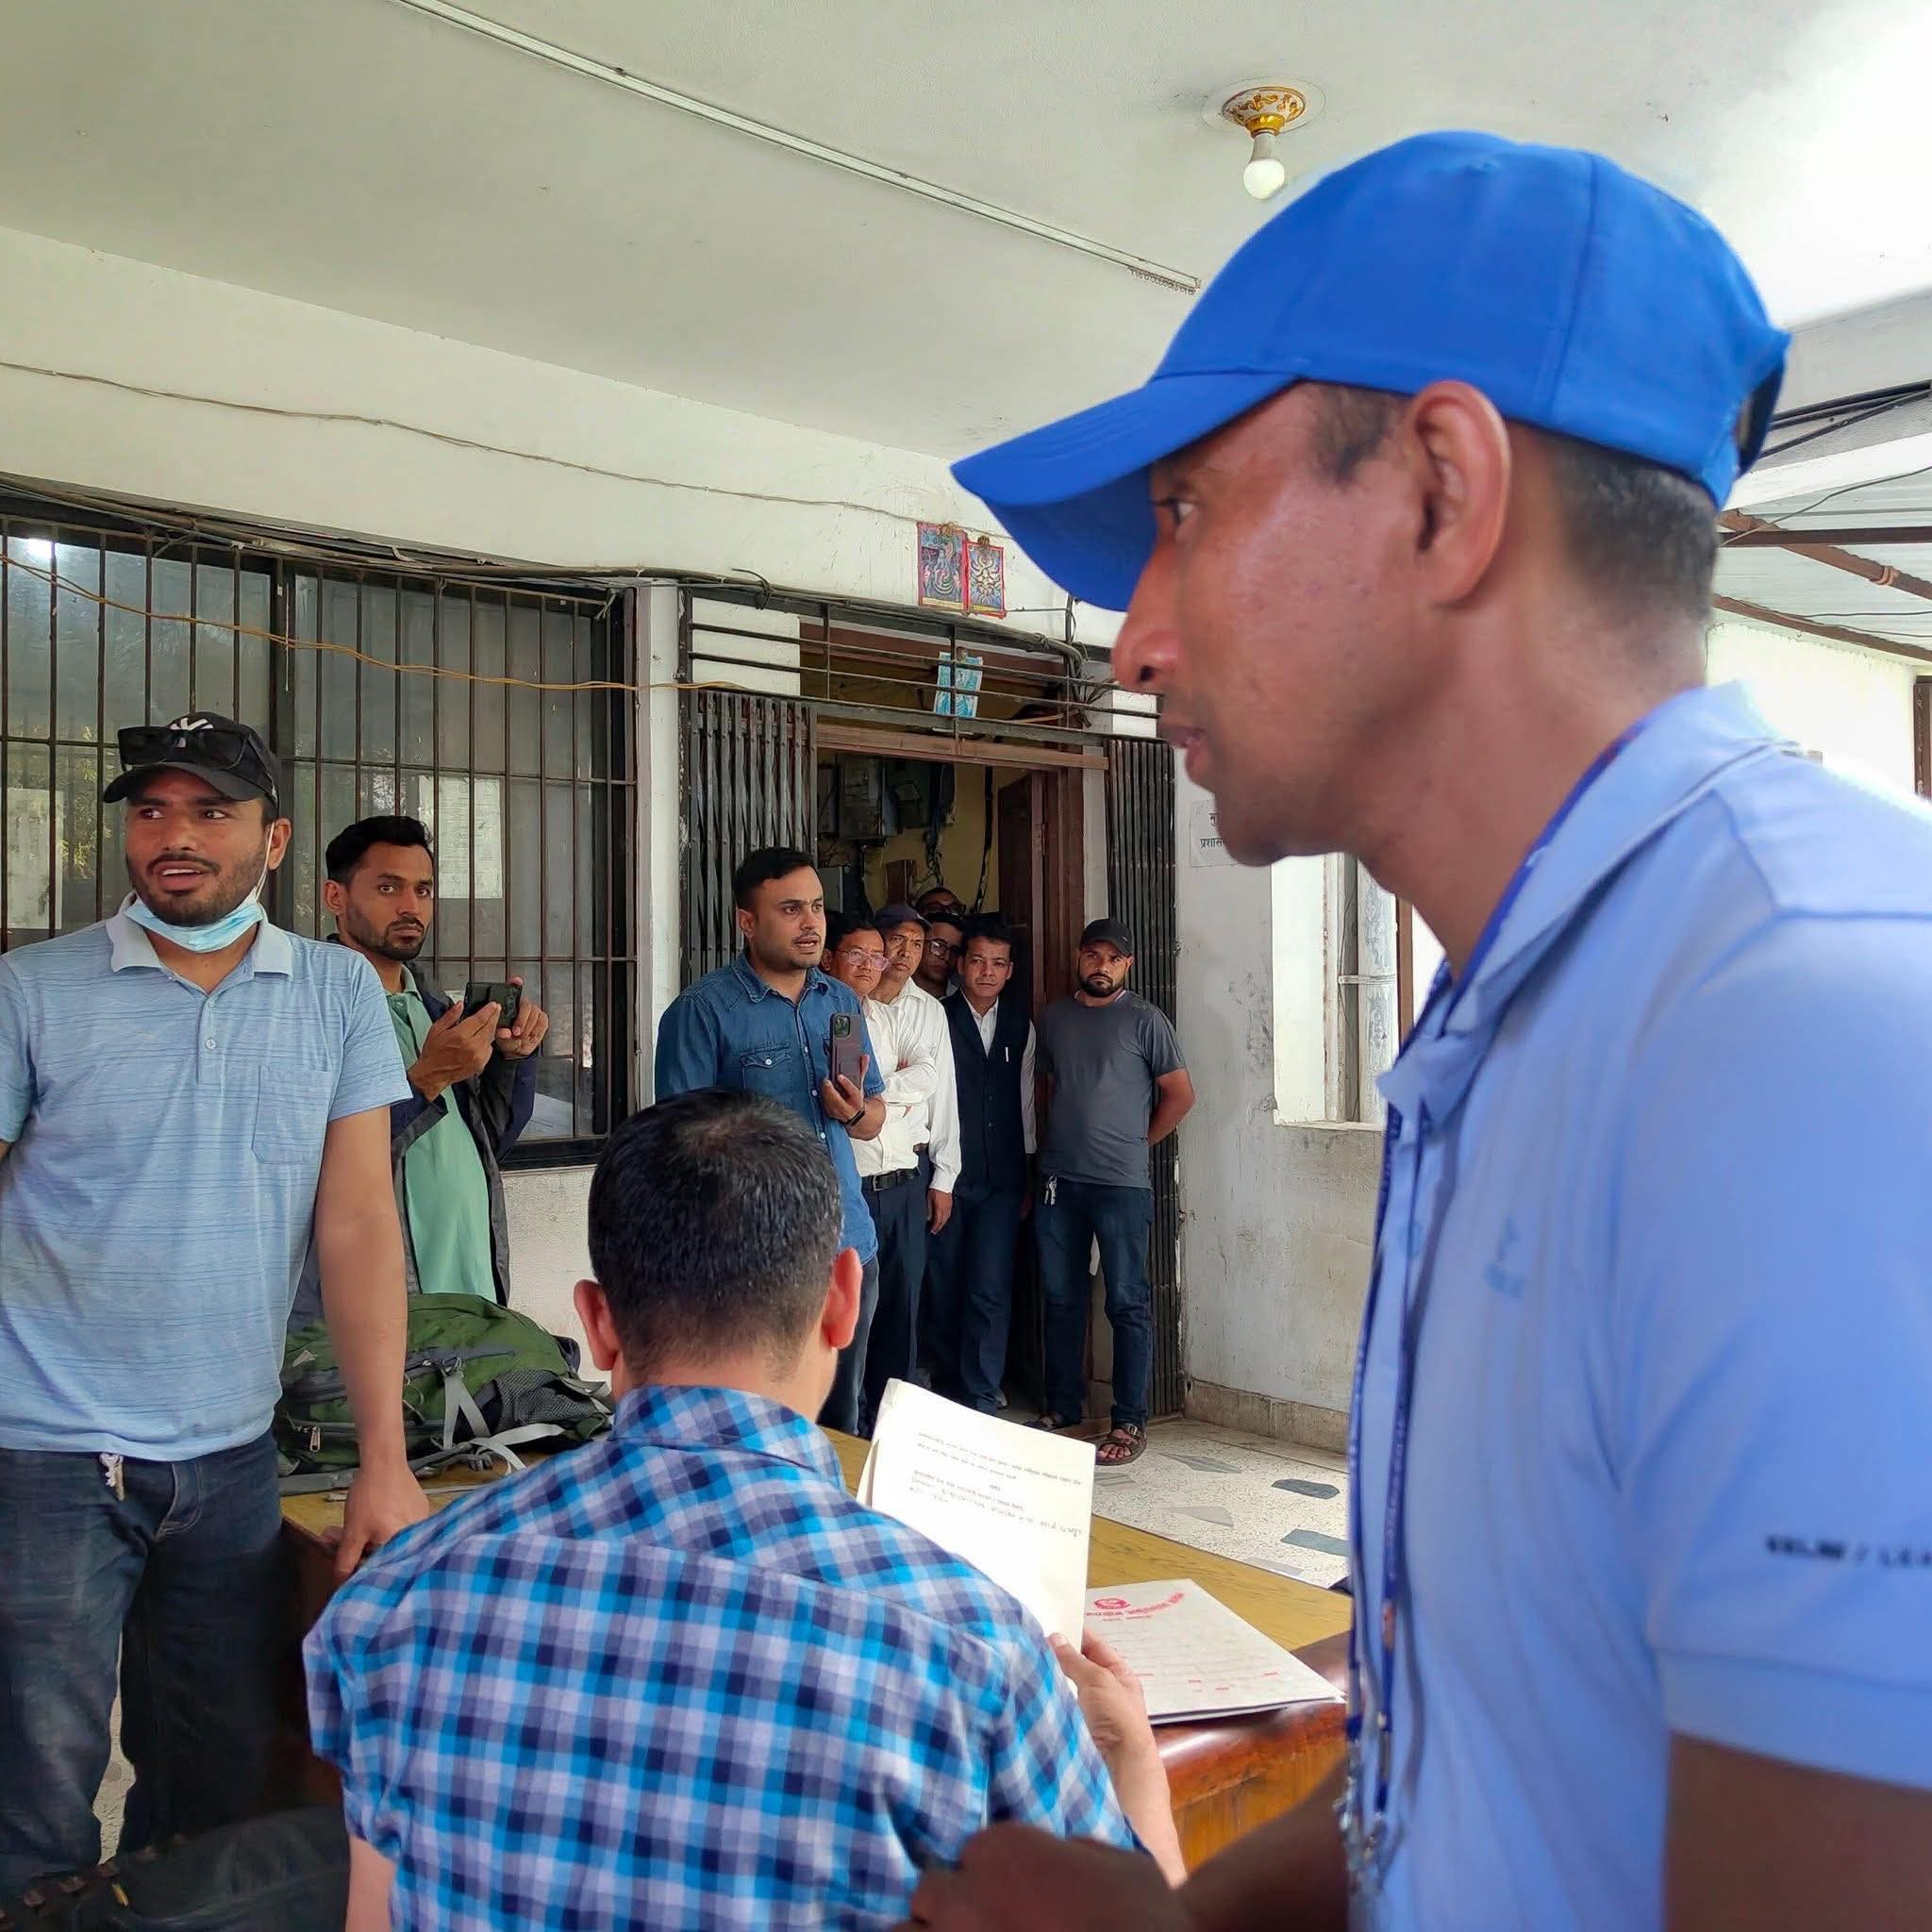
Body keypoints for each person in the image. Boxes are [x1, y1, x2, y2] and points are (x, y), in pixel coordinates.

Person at [910, 131, 1932, 1932]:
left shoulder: (1806, 1033)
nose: (1132, 639)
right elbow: (1459, 1751)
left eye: (1182, 518)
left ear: (1444, 494)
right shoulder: (1517, 1017)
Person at [307, 1089, 1184, 1930]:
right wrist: (1133, 1763)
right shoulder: (975, 1651)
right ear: (843, 1301)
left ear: (597, 1324)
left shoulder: (398, 1598)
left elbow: (375, 1912)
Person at [0, 714, 427, 1895]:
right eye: (150, 810)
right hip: (44, 1456)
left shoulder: (336, 992)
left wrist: (383, 1457)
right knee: (32, 1790)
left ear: (274, 840)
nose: (173, 836)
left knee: (212, 1790)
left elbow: (357, 1222)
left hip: (232, 1458)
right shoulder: (31, 989)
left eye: (210, 811)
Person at [654, 847, 886, 1433]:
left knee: (842, 1421)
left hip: (848, 1245)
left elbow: (874, 1116)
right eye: (790, 909)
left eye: (817, 907)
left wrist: (856, 1112)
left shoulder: (840, 1002)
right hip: (757, 1258)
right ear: (748, 922)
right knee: (760, 1427)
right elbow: (679, 1150)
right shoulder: (703, 1012)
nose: (811, 924)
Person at [288, 815, 549, 1320]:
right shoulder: (306, 1011)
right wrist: (428, 1078)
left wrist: (513, 1059)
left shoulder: (433, 1008)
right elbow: (315, 1165)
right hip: (376, 1310)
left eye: (423, 890)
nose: (411, 907)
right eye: (388, 888)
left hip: (473, 1291)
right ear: (335, 897)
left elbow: (487, 1141)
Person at [1030, 920, 1192, 1466]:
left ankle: (1129, 1420)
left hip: (1121, 1184)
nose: (1101, 966)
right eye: (1092, 955)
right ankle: (1063, 1408)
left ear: (1127, 965)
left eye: (1113, 958)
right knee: (1060, 1296)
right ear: (1080, 958)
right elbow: (1046, 1088)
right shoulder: (1054, 1019)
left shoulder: (1146, 1019)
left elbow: (1180, 1094)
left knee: (1127, 1301)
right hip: (1059, 1179)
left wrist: (1137, 1143)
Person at [842, 903, 961, 1431]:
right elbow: (845, 1095)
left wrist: (946, 1175)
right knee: (853, 1311)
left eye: (918, 944)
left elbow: (939, 1086)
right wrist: (898, 1091)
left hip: (908, 1180)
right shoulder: (848, 1007)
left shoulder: (927, 1010)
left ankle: (891, 1428)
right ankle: (850, 1425)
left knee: (901, 1308)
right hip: (853, 1183)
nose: (906, 954)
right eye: (897, 941)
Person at [927, 915, 1036, 1412]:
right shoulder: (936, 1018)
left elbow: (1026, 1104)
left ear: (1010, 971)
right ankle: (948, 1384)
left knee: (990, 1288)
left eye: (998, 963)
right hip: (947, 1177)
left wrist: (1027, 1173)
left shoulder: (1020, 1025)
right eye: (978, 961)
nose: (987, 972)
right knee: (944, 1283)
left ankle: (980, 1394)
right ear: (960, 964)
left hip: (1002, 1180)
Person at [915, 905, 967, 1001]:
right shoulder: (894, 990)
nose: (946, 957)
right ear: (918, 943)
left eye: (954, 951)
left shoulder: (964, 998)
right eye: (938, 946)